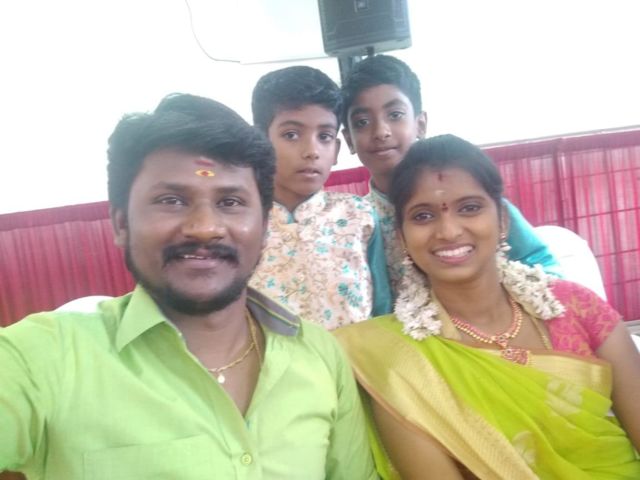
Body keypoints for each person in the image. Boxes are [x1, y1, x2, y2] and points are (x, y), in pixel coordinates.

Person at [0, 94, 377, 479]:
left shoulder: (320, 356)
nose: (205, 228)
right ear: (121, 224)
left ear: (265, 227)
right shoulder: (44, 357)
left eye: (230, 202)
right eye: (172, 200)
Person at [335, 134, 640, 479]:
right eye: (423, 215)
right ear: (402, 237)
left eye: (469, 208)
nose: (449, 231)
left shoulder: (578, 308)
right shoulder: (396, 363)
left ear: (503, 220)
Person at [340, 54, 561, 295]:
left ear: (420, 124)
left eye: (395, 115)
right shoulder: (355, 225)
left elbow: (546, 270)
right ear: (349, 139)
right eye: (362, 122)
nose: (380, 131)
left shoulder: (474, 200)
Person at [249, 65, 391, 330]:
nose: (312, 151)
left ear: (336, 149)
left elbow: (383, 307)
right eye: (291, 135)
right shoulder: (242, 223)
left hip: (358, 355)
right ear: (260, 142)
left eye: (324, 136)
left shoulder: (359, 216)